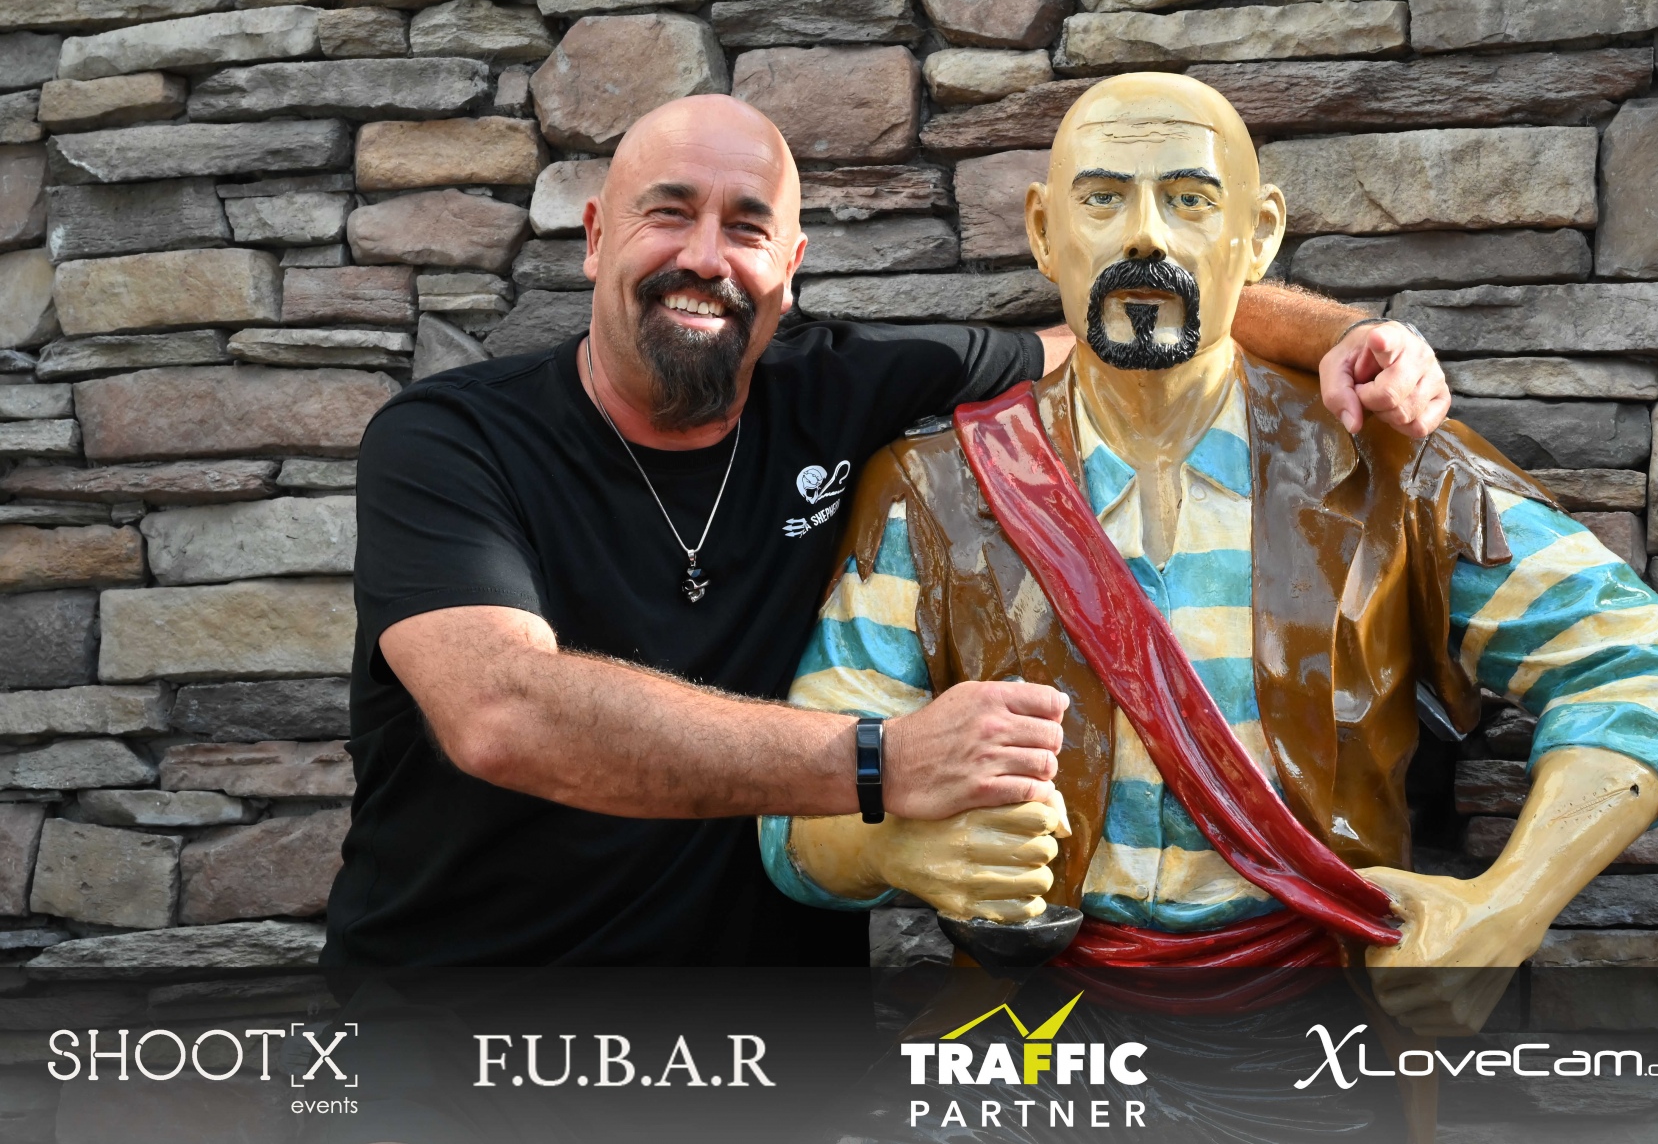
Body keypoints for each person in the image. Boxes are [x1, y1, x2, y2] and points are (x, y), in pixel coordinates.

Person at [324, 93, 1454, 967]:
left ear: (791, 267)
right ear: (593, 236)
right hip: (465, 1026)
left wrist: (1350, 335)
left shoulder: (842, 389)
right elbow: (502, 713)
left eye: (747, 226)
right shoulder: (448, 440)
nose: (706, 257)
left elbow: (1131, 322)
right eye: (668, 213)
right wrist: (882, 762)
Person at [760, 73, 1658, 1027]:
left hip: (1323, 1021)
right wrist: (891, 852)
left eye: (1189, 199)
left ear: (1258, 236)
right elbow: (798, 806)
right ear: (1046, 233)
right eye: (1104, 199)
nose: (1145, 235)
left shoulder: (1392, 470)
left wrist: (1508, 905)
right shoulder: (934, 492)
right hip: (1038, 1026)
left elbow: (1645, 667)